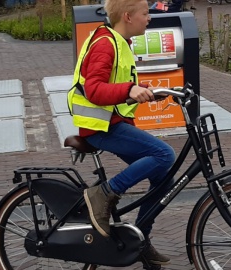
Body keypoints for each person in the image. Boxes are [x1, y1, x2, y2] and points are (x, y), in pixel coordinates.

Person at [67, 0, 175, 266]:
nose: (149, 18)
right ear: (128, 16)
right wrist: (129, 90)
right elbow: (93, 89)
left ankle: (140, 242)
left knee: (164, 178)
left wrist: (145, 91)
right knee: (164, 154)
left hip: (113, 124)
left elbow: (117, 87)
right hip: (99, 127)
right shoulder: (106, 43)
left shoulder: (119, 42)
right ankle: (103, 194)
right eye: (145, 13)